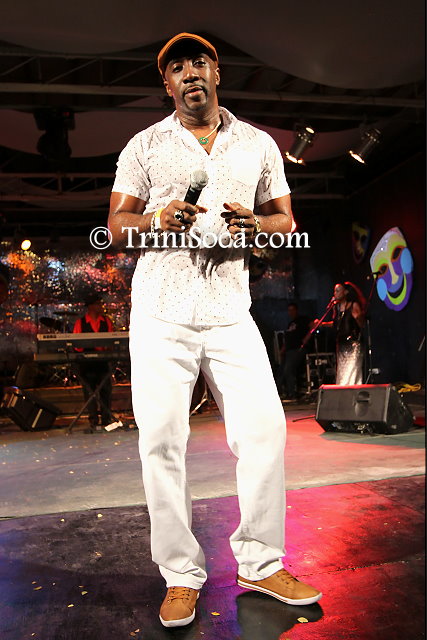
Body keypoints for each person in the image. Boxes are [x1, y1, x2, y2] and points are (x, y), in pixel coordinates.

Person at [108, 32, 322, 628]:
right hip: (161, 312)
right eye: (177, 68)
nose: (190, 73)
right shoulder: (144, 144)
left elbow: (286, 220)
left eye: (199, 62)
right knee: (161, 443)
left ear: (217, 72)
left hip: (230, 310)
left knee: (265, 432)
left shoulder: (257, 143)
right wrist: (156, 217)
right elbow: (117, 226)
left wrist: (259, 224)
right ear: (167, 84)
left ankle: (260, 562)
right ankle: (180, 573)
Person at [73, 294, 114, 431]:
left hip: (103, 362)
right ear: (90, 306)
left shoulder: (106, 321)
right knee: (89, 391)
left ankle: (106, 419)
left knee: (105, 390)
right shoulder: (80, 323)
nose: (100, 306)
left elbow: (111, 342)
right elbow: (77, 346)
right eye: (98, 304)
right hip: (87, 363)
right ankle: (93, 420)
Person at [324, 282, 366, 385]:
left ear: (345, 292)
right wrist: (322, 324)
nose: (335, 293)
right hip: (341, 345)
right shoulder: (336, 308)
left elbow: (362, 324)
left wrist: (358, 318)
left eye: (338, 291)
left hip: (353, 344)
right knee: (342, 374)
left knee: (352, 373)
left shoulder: (353, 305)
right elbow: (336, 324)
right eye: (334, 291)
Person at [276, 303, 311, 402]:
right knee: (281, 371)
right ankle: (281, 393)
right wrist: (283, 349)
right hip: (289, 350)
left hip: (297, 348)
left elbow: (313, 325)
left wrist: (307, 338)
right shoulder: (290, 324)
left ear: (296, 310)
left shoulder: (302, 320)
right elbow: (287, 338)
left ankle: (292, 394)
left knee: (288, 369)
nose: (290, 312)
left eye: (292, 310)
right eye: (289, 310)